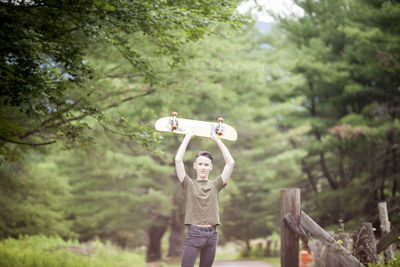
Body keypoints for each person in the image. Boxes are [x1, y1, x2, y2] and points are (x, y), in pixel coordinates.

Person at [175, 133, 235, 267]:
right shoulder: (188, 184)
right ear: (195, 165)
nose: (203, 167)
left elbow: (230, 163)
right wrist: (188, 137)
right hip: (194, 233)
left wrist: (218, 141)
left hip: (212, 235)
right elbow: (178, 160)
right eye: (200, 164)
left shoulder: (216, 185)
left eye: (206, 164)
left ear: (210, 167)